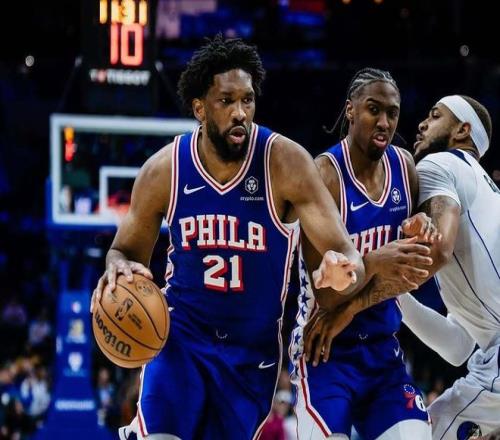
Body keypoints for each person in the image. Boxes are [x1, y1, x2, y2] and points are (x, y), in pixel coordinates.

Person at [90, 35, 364, 440]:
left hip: (250, 356)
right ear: (200, 108)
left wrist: (343, 270)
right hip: (181, 339)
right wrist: (117, 268)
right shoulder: (164, 170)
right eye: (226, 101)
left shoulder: (285, 162)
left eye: (247, 100)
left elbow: (347, 253)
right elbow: (123, 251)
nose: (240, 113)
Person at [305, 95, 499, 439]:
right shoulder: (483, 193)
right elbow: (457, 347)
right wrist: (397, 296)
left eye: (435, 115)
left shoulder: (440, 163)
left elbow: (436, 250)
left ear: (462, 131)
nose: (422, 124)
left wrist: (351, 306)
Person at [290, 68, 437, 440]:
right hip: (325, 353)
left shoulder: (404, 167)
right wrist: (375, 262)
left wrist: (422, 225)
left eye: (392, 112)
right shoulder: (324, 175)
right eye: (374, 109)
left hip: (383, 352)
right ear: (350, 110)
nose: (384, 121)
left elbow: (413, 273)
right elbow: (326, 296)